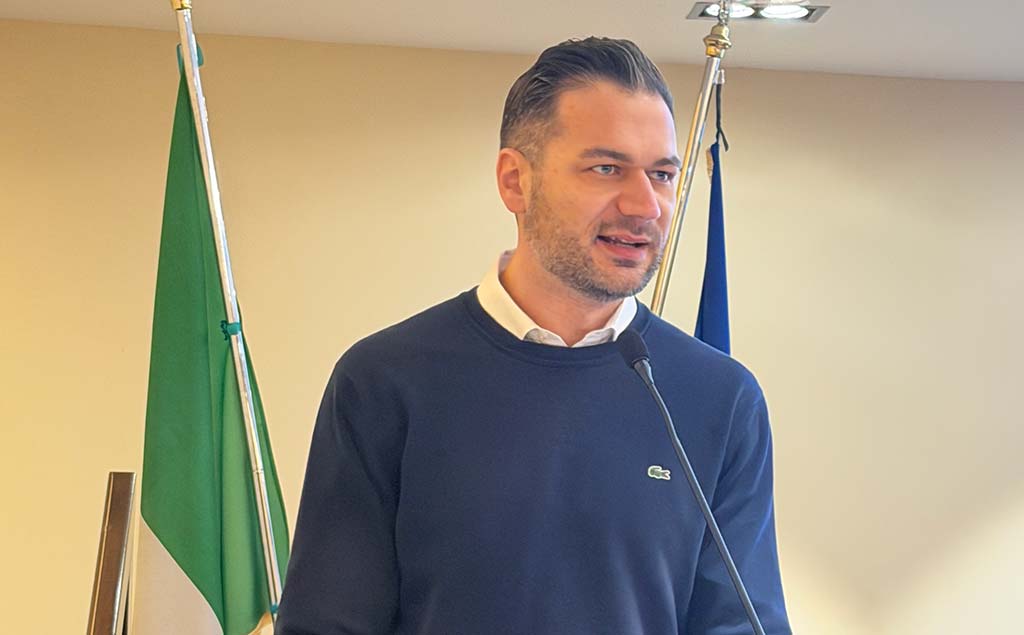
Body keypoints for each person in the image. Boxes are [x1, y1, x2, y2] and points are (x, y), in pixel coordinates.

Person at [276, 37, 790, 635]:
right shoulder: (384, 380)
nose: (644, 205)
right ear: (515, 181)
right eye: (606, 168)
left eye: (662, 174)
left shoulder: (721, 398)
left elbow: (740, 623)